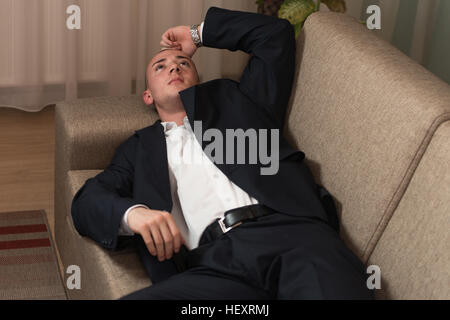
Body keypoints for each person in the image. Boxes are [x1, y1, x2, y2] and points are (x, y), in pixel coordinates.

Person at [71, 6, 374, 300]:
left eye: (183, 62)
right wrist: (133, 215)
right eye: (160, 67)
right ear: (148, 96)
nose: (174, 66)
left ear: (197, 81)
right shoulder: (139, 149)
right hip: (216, 269)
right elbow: (87, 201)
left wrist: (198, 34)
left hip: (296, 239)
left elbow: (275, 35)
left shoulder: (240, 102)